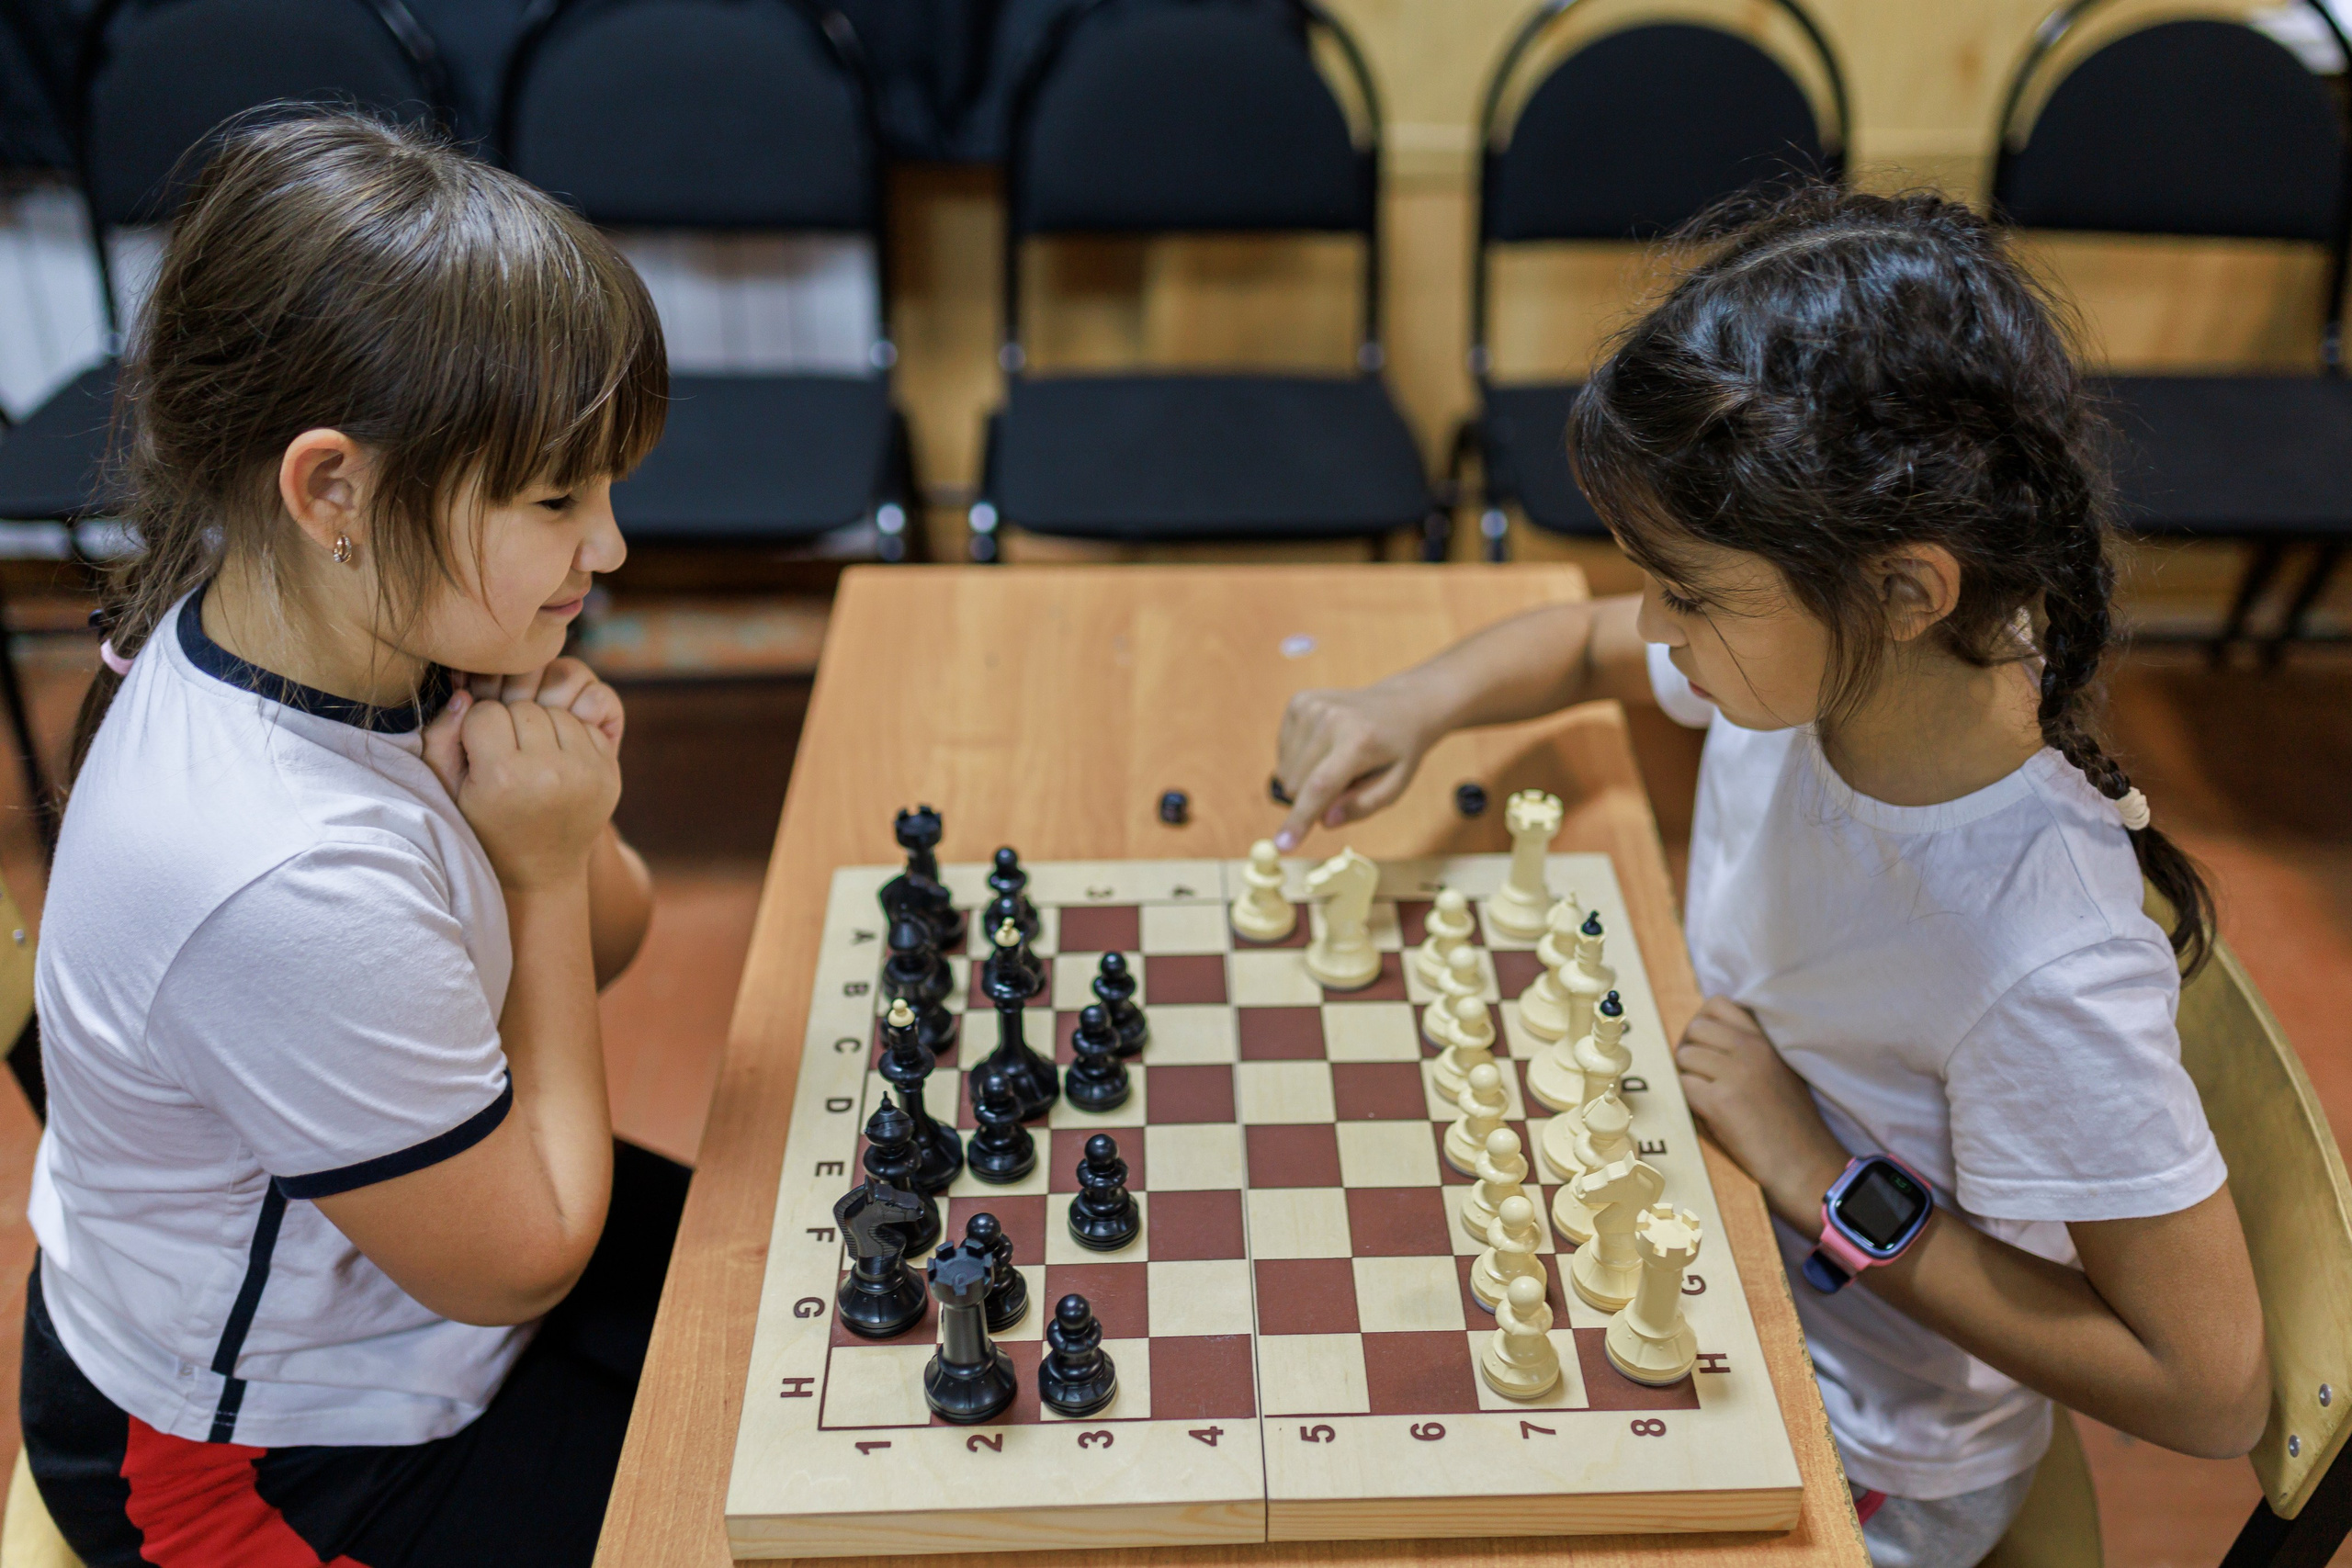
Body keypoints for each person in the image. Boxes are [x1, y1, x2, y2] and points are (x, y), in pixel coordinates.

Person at [1271, 187, 2264, 1567]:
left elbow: (2210, 1392)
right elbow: (1586, 648)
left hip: (1858, 1449)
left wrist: (1822, 1175)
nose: (1652, 626)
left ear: (1905, 589)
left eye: (1685, 591)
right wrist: (1411, 703)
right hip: (1707, 1217)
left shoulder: (2044, 960)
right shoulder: (1837, 669)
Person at [23, 111, 681, 1567]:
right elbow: (521, 1264)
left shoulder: (366, 625)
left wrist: (559, 834)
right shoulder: (280, 876)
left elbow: (607, 945)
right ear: (333, 489)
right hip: (269, 1465)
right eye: (557, 500)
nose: (609, 549)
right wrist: (541, 865)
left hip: (423, 1291)